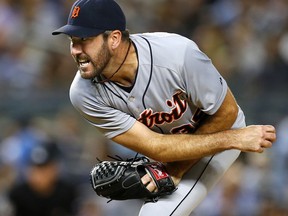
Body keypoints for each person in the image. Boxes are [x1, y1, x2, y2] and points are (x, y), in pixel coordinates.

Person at [52, 0, 276, 215]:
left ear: (114, 38)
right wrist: (172, 168)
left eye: (83, 39)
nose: (75, 50)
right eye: (72, 40)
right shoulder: (83, 94)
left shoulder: (177, 54)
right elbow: (156, 147)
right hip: (174, 151)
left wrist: (229, 140)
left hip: (220, 130)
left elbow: (227, 112)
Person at [8, 140, 78, 216]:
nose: (39, 175)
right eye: (35, 169)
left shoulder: (67, 193)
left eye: (44, 169)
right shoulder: (17, 195)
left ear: (55, 169)